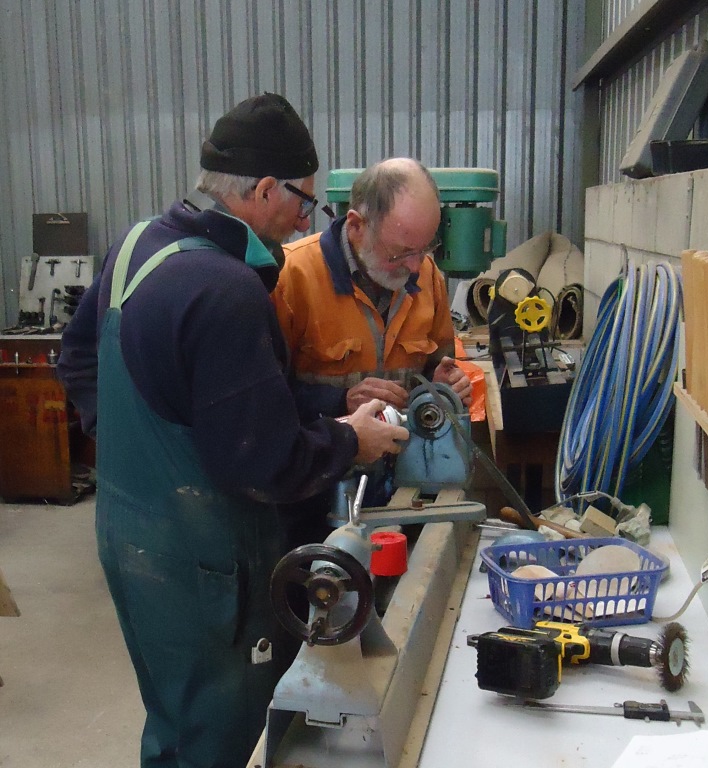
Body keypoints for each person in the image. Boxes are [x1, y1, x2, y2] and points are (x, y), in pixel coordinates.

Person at [56, 93, 408, 768]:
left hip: (132, 539)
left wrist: (143, 443)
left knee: (174, 720)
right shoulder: (225, 289)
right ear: (266, 189)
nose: (307, 218)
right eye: (305, 200)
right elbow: (263, 463)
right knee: (217, 732)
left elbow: (79, 359)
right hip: (207, 566)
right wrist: (350, 441)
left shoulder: (137, 247)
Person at [271, 157, 472, 423]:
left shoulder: (427, 274)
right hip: (328, 457)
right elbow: (264, 399)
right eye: (401, 253)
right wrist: (340, 401)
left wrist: (444, 384)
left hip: (408, 453)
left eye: (425, 249)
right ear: (356, 226)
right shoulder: (289, 277)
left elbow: (440, 364)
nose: (415, 267)